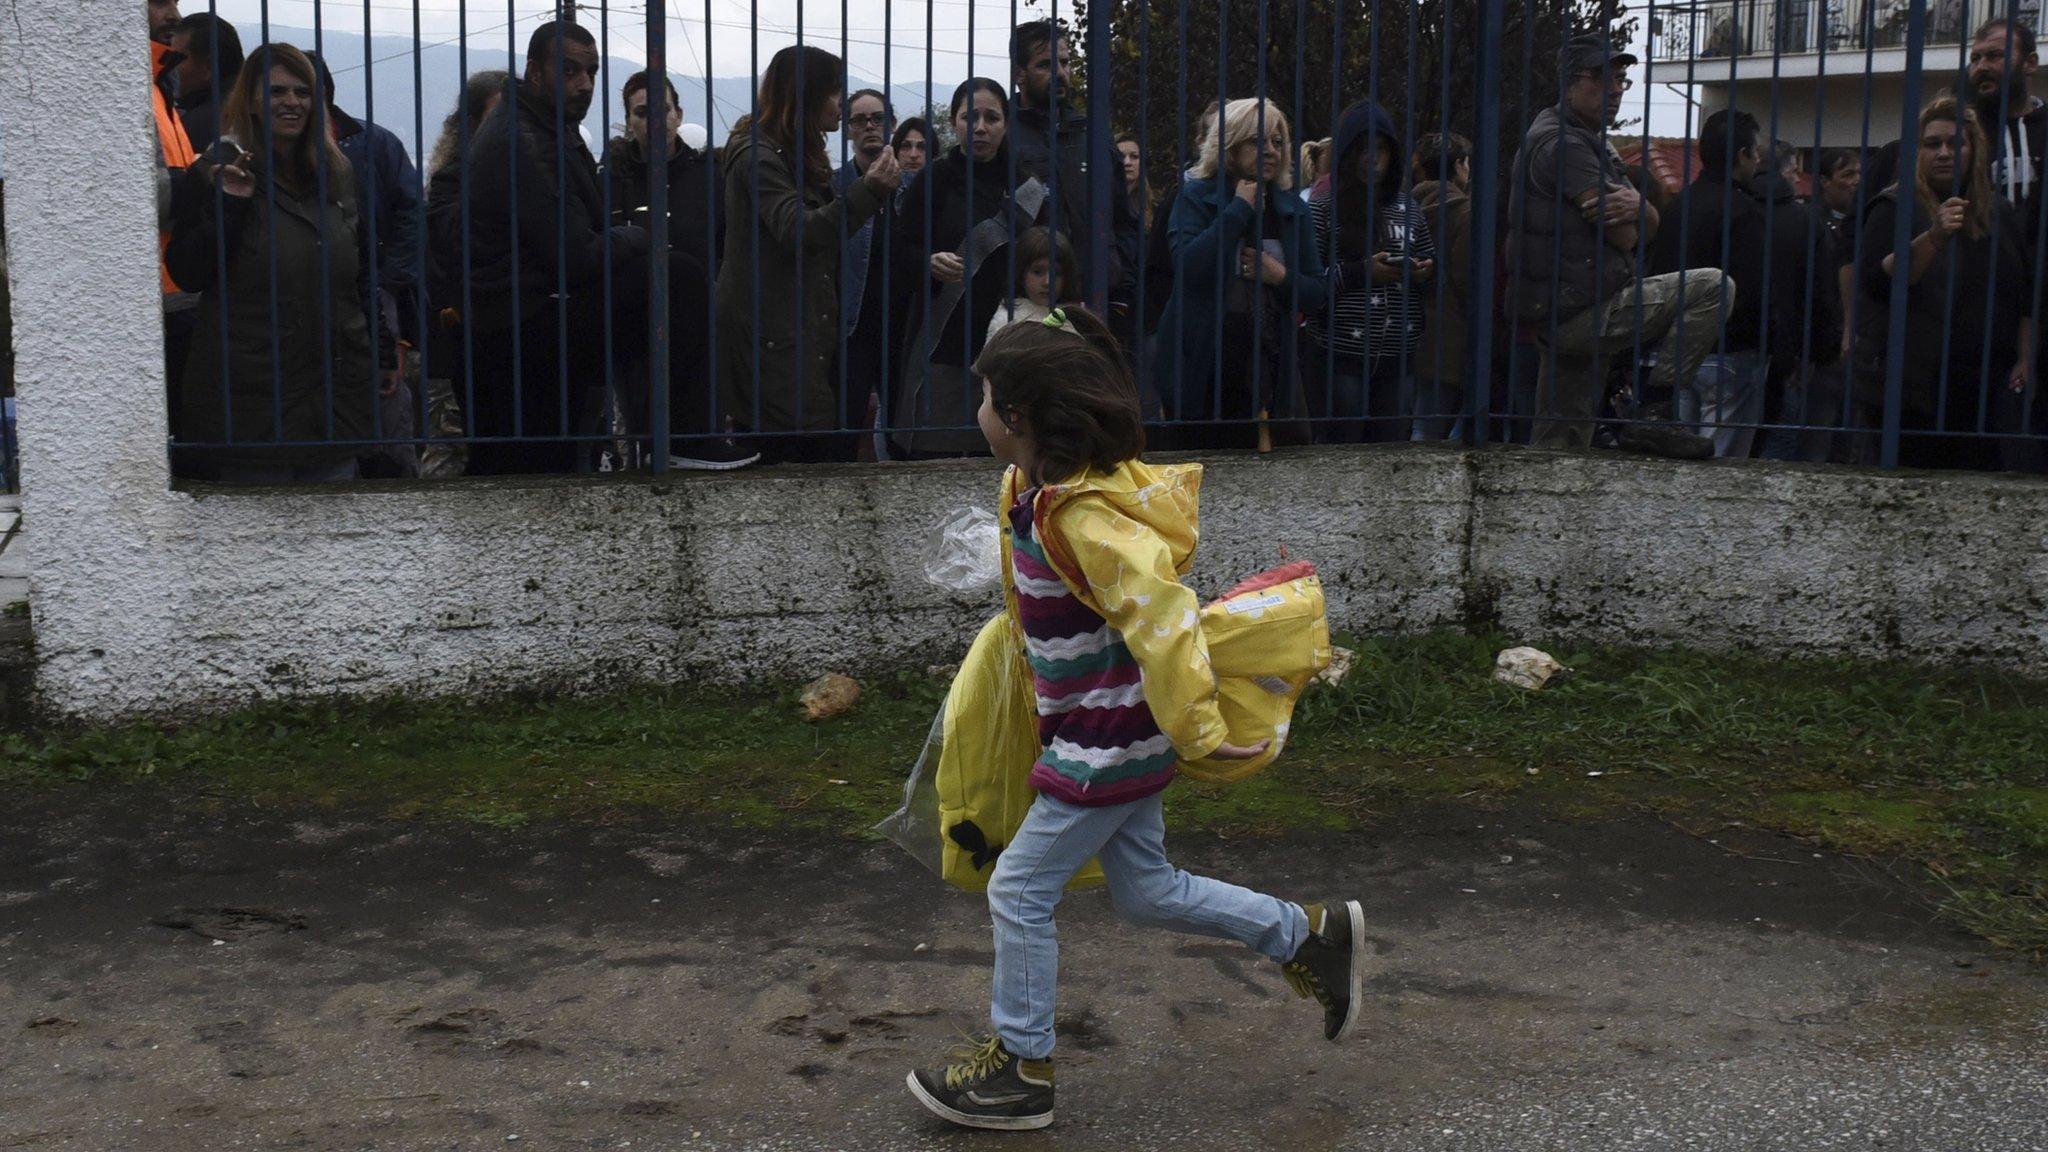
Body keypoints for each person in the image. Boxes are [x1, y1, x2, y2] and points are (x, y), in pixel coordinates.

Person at [903, 305, 1362, 1132]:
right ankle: (1307, 937)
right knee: (1149, 893)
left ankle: (1020, 1068)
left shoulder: (1088, 518)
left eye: (983, 397)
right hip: (1101, 730)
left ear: (1015, 419)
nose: (973, 412)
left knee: (1018, 890)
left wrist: (1204, 734)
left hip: (1107, 745)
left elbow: (1166, 619)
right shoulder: (1034, 492)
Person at [428, 21, 716, 474]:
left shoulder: (541, 126)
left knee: (542, 469)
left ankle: (681, 439)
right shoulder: (525, 139)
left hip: (519, 317)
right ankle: (687, 439)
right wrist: (640, 235)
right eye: (568, 71)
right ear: (535, 72)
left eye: (591, 72)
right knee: (677, 275)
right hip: (524, 321)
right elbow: (575, 255)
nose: (584, 84)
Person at [164, 42, 389, 483]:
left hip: (333, 393)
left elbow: (359, 271)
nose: (292, 102)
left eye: (303, 92)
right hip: (250, 397)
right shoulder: (217, 167)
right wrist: (230, 206)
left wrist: (381, 348)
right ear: (250, 99)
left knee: (334, 535)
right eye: (277, 91)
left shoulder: (337, 172)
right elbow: (188, 270)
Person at [1505, 33, 1730, 451]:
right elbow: (1627, 234)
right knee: (1714, 287)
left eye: (1621, 78)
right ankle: (1657, 410)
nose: (1614, 89)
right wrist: (1644, 215)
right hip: (1580, 309)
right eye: (1600, 76)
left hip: (1566, 304)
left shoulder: (1589, 140)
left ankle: (1545, 513)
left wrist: (1643, 209)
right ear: (1569, 82)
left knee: (1562, 441)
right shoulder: (1564, 144)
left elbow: (1646, 221)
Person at [717, 45, 900, 463]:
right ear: (807, 94)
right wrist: (869, 191)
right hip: (772, 343)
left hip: (797, 338)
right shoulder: (757, 156)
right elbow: (798, 230)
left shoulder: (794, 152)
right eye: (834, 92)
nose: (840, 103)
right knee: (785, 458)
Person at [1856, 96, 2036, 471]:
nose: (1944, 153)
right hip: (1914, 389)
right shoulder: (1894, 207)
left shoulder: (1997, 212)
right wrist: (1933, 238)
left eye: (1957, 143)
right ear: (1916, 152)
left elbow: (2023, 292)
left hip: (1985, 386)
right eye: (1932, 144)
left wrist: (2024, 355)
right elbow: (1878, 283)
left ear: (1975, 149)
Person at [1154, 98, 1329, 450]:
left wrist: (1279, 276)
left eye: (1277, 143)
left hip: (1271, 367)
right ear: (1229, 145)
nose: (1269, 151)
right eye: (1256, 141)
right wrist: (1237, 211)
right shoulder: (1194, 197)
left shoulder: (1293, 209)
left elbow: (1317, 293)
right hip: (1203, 366)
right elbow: (1188, 267)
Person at [889, 77, 1031, 457]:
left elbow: (1045, 252)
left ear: (1006, 124)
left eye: (992, 117)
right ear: (954, 123)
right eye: (971, 117)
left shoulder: (1026, 185)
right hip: (944, 334)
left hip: (1010, 339)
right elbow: (901, 250)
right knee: (937, 451)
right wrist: (928, 262)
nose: (981, 127)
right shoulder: (933, 180)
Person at [309, 51, 424, 477]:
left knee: (386, 398)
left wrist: (391, 280)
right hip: (317, 291)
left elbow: (413, 215)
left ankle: (391, 479)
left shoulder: (374, 144)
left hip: (376, 286)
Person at [1648, 109, 1779, 458]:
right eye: (1755, 152)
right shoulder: (1743, 210)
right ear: (1742, 156)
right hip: (1731, 352)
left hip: (1677, 350)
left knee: (1679, 457)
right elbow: (1753, 289)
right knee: (1720, 465)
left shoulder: (1679, 206)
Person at [1304, 99, 1437, 444]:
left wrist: (1424, 271)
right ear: (1347, 154)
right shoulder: (1322, 209)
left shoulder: (1409, 208)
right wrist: (1362, 272)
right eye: (1362, 149)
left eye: (1380, 149)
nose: (1372, 159)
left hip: (1399, 356)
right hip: (1340, 356)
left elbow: (1431, 262)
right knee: (1342, 450)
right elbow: (1310, 282)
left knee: (1391, 451)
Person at [1008, 21, 1140, 320]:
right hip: (1029, 307)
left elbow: (1123, 217)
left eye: (1065, 63)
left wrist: (1122, 287)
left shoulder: (1092, 133)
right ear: (1020, 74)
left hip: (1096, 300)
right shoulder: (1004, 134)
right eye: (1044, 64)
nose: (1059, 74)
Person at [416, 69, 509, 479]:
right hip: (451, 351)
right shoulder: (451, 185)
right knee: (449, 460)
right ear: (471, 125)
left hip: (502, 351)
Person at [603, 70, 723, 271]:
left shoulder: (713, 178)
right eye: (642, 113)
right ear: (628, 123)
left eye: (663, 110)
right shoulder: (610, 181)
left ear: (678, 115)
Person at [1411, 131, 1472, 440]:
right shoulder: (1465, 213)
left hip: (1407, 331)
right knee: (1436, 431)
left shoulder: (1404, 208)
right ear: (1460, 165)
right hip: (1451, 337)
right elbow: (1466, 279)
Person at [1969, 17, 2047, 252]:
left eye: (1994, 56)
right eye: (1975, 59)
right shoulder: (1960, 134)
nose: (1981, 66)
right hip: (1980, 275)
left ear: (2030, 63)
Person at [832, 89, 894, 347]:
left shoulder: (914, 187)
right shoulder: (832, 187)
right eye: (859, 120)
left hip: (898, 319)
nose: (870, 126)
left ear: (892, 124)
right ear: (847, 129)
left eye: (878, 118)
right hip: (848, 323)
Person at [166, 12, 242, 152]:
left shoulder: (192, 128)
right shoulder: (258, 111)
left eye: (175, 59)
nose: (167, 66)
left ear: (209, 66)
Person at [987, 226, 1080, 338]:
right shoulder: (1006, 322)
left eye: (1056, 274)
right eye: (1037, 272)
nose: (1047, 282)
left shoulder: (1074, 320)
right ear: (1021, 274)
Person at [1116, 133, 1156, 235]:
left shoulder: (1155, 207)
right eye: (1120, 156)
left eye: (1134, 156)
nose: (1127, 162)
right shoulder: (1101, 205)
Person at [892, 117, 935, 186]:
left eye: (922, 147)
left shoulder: (945, 191)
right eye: (906, 146)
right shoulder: (884, 191)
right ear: (896, 151)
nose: (913, 155)